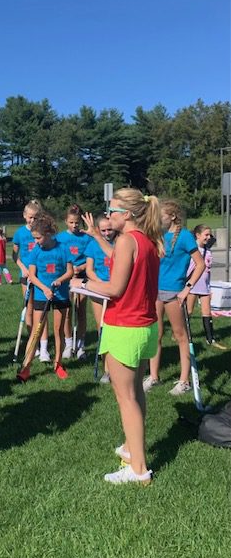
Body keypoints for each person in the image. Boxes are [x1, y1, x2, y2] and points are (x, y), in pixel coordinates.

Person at [76, 189, 164, 484]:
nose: (108, 215)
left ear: (126, 214)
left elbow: (114, 288)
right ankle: (130, 448)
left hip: (125, 326)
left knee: (126, 398)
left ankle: (138, 469)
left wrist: (83, 283)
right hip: (143, 326)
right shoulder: (145, 239)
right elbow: (120, 260)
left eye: (112, 210)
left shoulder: (127, 240)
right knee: (135, 393)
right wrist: (96, 237)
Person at [143, 200, 205, 395]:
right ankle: (154, 376)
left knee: (180, 335)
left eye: (160, 215)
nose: (157, 219)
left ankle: (184, 381)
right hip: (155, 292)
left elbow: (200, 264)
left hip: (174, 293)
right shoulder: (158, 235)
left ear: (172, 216)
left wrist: (187, 288)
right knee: (156, 334)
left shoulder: (185, 236)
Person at [17, 214, 73, 382]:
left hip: (60, 294)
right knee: (37, 330)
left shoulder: (63, 248)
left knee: (58, 330)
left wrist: (59, 280)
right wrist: (45, 289)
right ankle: (26, 367)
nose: (35, 242)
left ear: (48, 234)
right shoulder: (36, 251)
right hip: (42, 295)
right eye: (34, 238)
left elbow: (70, 271)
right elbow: (32, 276)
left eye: (38, 238)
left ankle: (58, 364)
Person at [12, 200, 50, 362]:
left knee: (42, 310)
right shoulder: (20, 233)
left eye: (35, 218)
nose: (32, 220)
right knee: (29, 309)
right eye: (30, 217)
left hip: (41, 276)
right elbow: (15, 255)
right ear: (24, 216)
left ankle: (44, 348)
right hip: (26, 276)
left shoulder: (42, 232)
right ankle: (33, 344)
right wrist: (23, 268)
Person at [57, 204, 91, 360]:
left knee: (81, 310)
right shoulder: (60, 238)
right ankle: (68, 343)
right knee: (67, 311)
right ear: (66, 221)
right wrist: (70, 269)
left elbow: (91, 257)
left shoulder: (86, 237)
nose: (74, 225)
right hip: (67, 276)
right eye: (71, 222)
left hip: (83, 275)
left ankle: (80, 345)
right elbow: (58, 257)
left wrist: (82, 267)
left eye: (77, 222)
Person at [85, 215, 117, 383]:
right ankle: (107, 369)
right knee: (102, 329)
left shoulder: (120, 243)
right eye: (103, 230)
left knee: (117, 329)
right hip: (99, 291)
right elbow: (89, 270)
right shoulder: (93, 244)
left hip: (117, 290)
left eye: (109, 229)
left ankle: (120, 365)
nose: (107, 233)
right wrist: (100, 283)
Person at [186, 224, 226, 350]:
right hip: (192, 285)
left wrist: (209, 287)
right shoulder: (192, 249)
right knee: (189, 311)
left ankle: (210, 339)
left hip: (204, 285)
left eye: (210, 235)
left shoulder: (208, 249)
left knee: (207, 312)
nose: (209, 237)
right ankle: (180, 335)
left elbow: (207, 270)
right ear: (197, 235)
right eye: (206, 235)